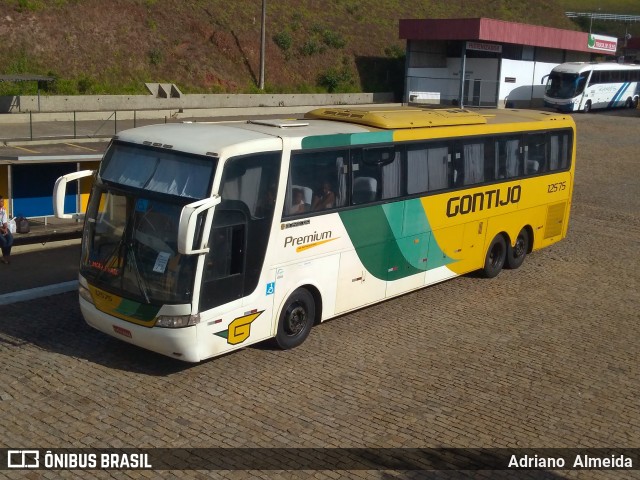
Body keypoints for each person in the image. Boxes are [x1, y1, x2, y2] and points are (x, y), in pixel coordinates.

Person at [0, 195, 13, 264]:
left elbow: (4, 221)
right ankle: (5, 257)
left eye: (3, 201)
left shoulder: (3, 210)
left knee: (10, 239)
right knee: (4, 240)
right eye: (1, 201)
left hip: (2, 228)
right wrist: (2, 230)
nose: (3, 203)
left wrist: (5, 228)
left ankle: (6, 255)